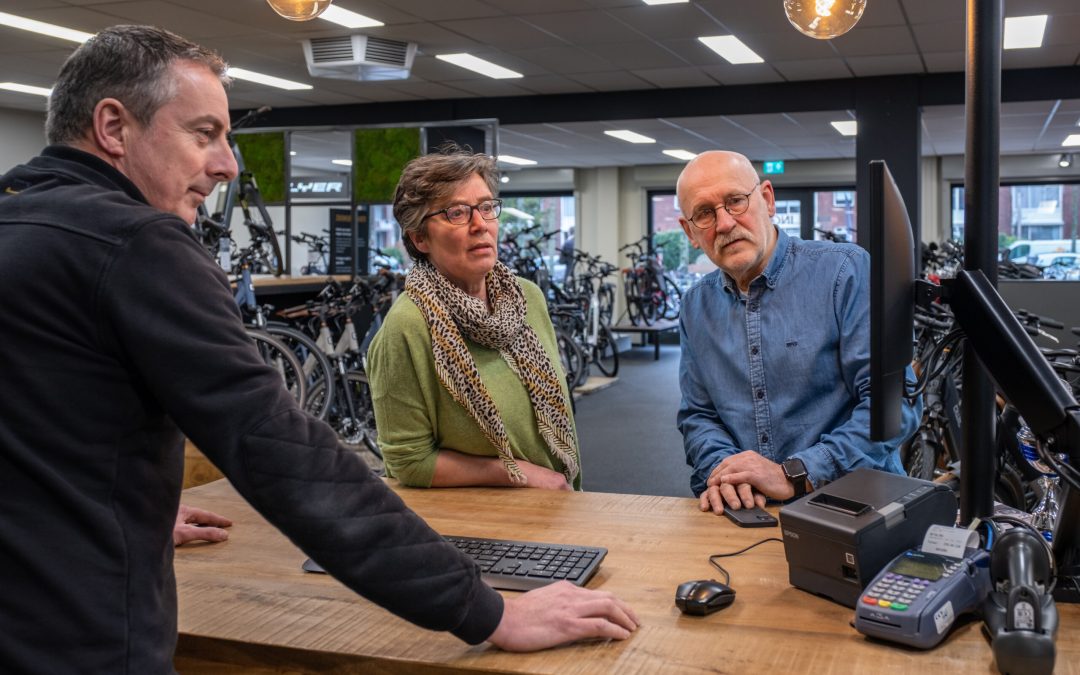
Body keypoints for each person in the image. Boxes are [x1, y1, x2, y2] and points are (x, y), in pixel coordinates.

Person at [0, 25, 636, 673]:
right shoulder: (139, 245)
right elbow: (284, 455)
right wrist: (488, 609)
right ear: (113, 127)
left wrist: (105, 499)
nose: (227, 165)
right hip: (77, 641)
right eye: (204, 134)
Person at [675, 150, 920, 515]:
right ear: (690, 231)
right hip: (748, 510)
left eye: (735, 201)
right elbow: (699, 416)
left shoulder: (844, 273)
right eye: (705, 213)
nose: (724, 223)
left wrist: (795, 473)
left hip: (856, 507)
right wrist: (725, 473)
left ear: (767, 199)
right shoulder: (695, 306)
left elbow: (894, 406)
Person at [367, 149, 580, 491]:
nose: (480, 224)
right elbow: (409, 461)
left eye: (486, 207)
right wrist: (515, 473)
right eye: (456, 213)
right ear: (419, 238)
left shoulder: (527, 298)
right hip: (481, 516)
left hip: (559, 502)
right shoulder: (407, 326)